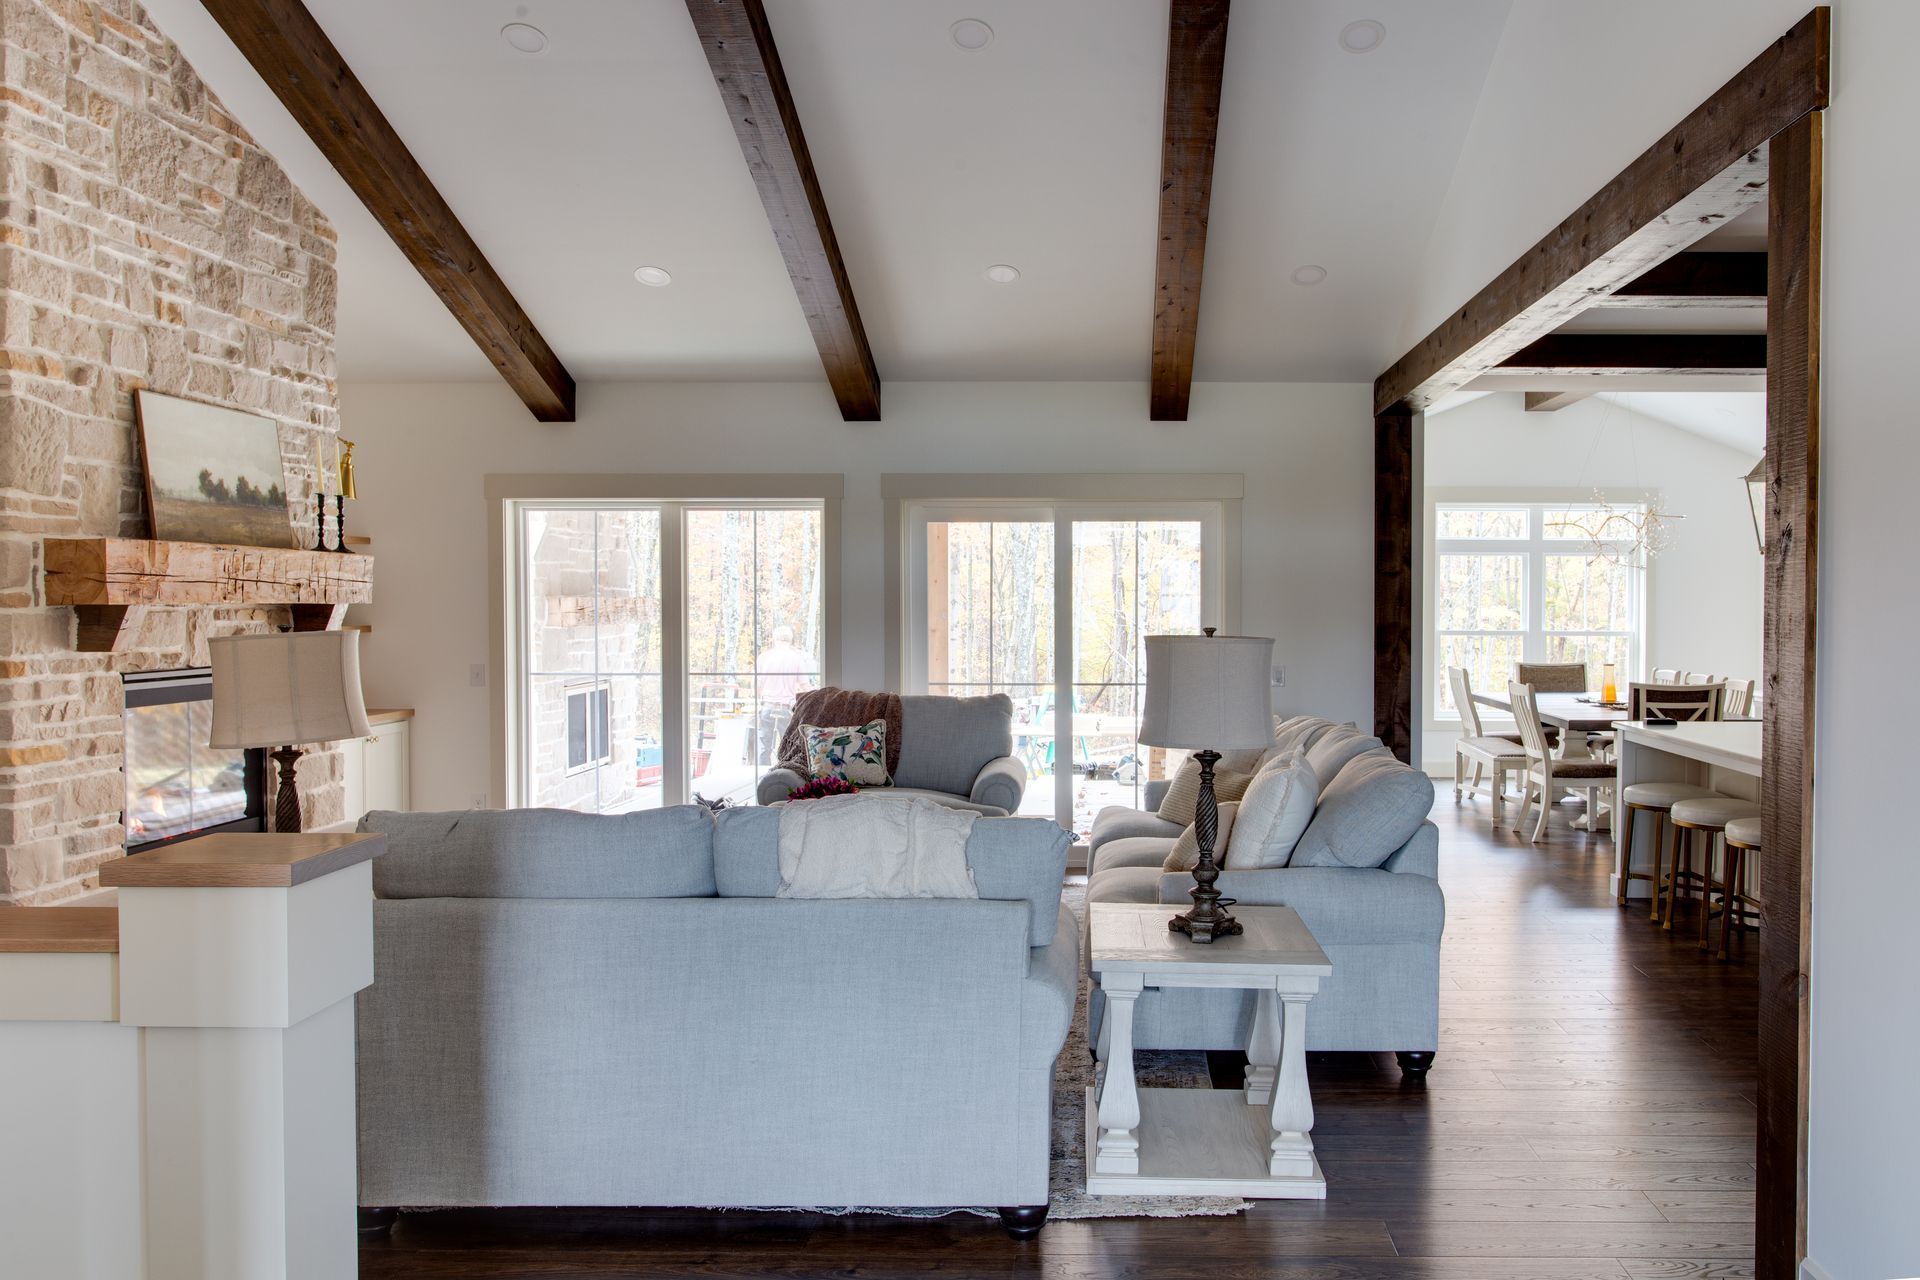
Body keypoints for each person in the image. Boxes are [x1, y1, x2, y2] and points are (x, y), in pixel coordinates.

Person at [754, 625, 814, 764]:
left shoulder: (764, 657)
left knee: (764, 747)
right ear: (790, 640)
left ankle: (764, 776)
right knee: (787, 745)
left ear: (774, 639)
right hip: (786, 707)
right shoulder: (796, 658)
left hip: (767, 706)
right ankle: (783, 774)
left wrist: (757, 703)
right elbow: (805, 685)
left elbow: (758, 684)